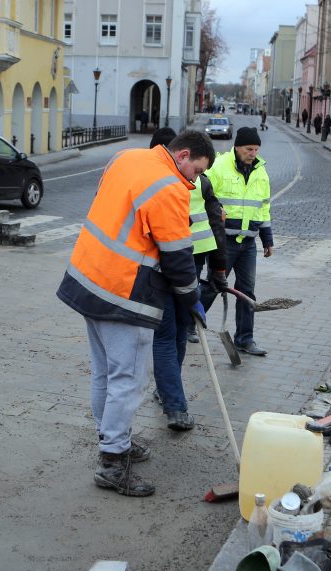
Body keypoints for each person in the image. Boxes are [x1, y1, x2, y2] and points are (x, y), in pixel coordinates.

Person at [56, 130, 215, 497]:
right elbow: (177, 256)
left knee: (105, 373)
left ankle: (116, 440)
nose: (194, 180)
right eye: (196, 171)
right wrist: (192, 298)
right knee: (128, 380)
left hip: (88, 277)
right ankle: (112, 462)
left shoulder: (127, 158)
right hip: (124, 293)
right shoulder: (170, 187)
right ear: (183, 155)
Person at [148, 129, 228, 431]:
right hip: (163, 267)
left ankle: (169, 393)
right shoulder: (164, 183)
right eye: (195, 170)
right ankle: (174, 404)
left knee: (178, 332)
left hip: (189, 263)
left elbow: (216, 228)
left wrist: (218, 270)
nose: (194, 179)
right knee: (169, 335)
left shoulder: (199, 183)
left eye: (199, 173)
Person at [205, 126, 273, 357]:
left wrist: (267, 240)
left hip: (248, 245)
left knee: (247, 292)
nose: (253, 153)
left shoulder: (260, 172)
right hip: (224, 242)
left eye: (256, 149)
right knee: (214, 286)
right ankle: (187, 326)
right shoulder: (219, 166)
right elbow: (202, 191)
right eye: (248, 149)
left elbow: (263, 208)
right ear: (237, 147)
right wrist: (215, 211)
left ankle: (245, 339)